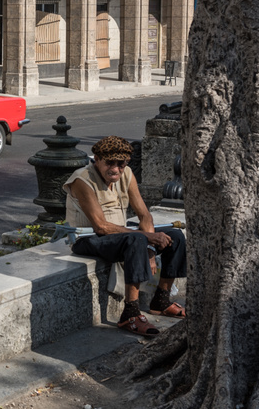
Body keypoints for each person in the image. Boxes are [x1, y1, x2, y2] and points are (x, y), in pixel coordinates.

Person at [63, 136, 187, 336]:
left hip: (120, 235)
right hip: (87, 238)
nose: (115, 169)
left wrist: (150, 249)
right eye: (109, 163)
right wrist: (145, 238)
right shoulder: (82, 179)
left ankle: (161, 301)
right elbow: (101, 226)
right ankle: (130, 314)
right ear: (97, 159)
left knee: (175, 236)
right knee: (137, 239)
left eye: (121, 164)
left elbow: (144, 215)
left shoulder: (127, 173)